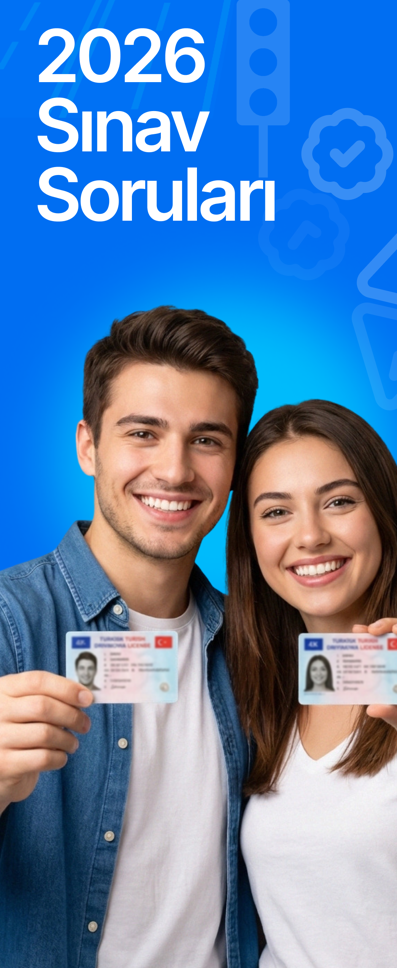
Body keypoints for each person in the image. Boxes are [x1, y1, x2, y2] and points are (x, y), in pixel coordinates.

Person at [0, 306, 259, 968]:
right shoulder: (8, 626)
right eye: (143, 432)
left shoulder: (259, 647)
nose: (173, 471)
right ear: (87, 445)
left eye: (206, 440)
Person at [226, 399, 397, 968]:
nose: (310, 536)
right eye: (276, 512)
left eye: (338, 501)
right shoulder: (253, 694)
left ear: (383, 512)